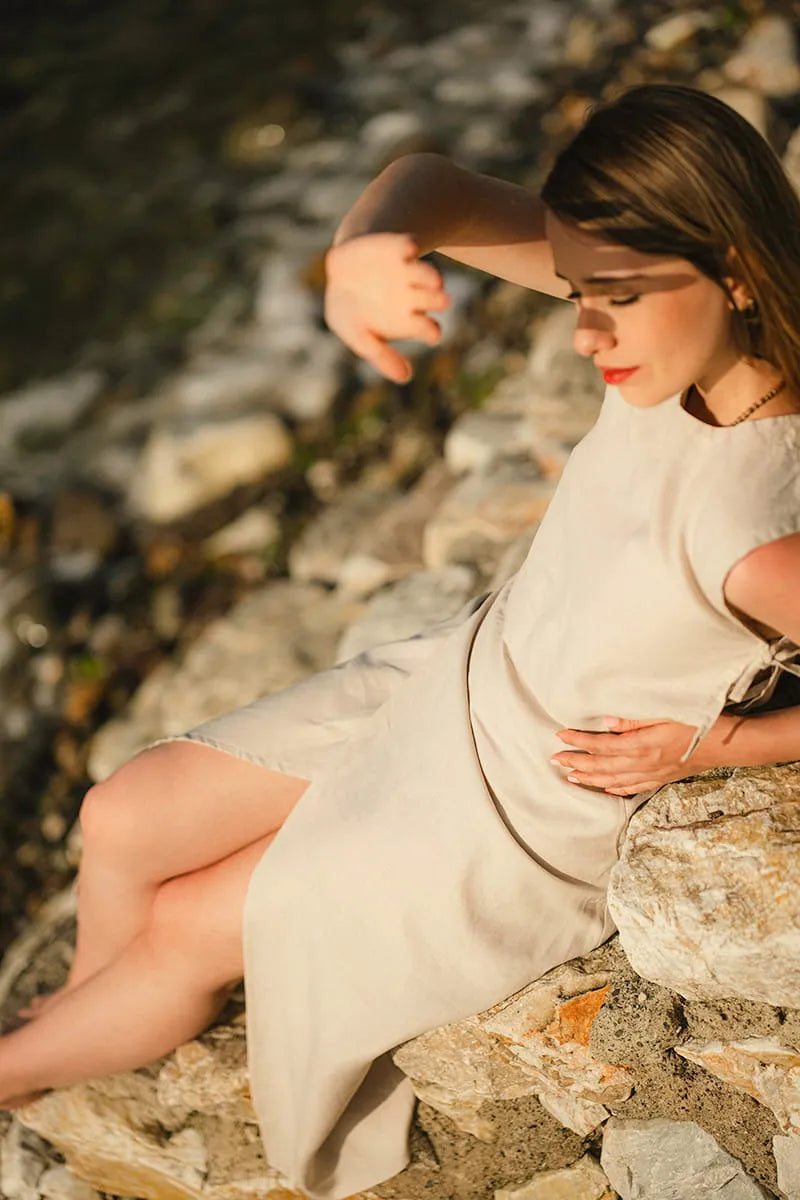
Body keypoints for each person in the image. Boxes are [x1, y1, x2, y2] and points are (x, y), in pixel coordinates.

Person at [3, 83, 800, 1200]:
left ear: (731, 268)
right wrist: (366, 246)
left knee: (187, 922)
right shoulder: (670, 338)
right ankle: (93, 1012)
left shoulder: (752, 529)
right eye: (573, 289)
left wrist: (714, 749)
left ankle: (20, 1066)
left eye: (609, 296)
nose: (581, 331)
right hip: (462, 668)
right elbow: (444, 191)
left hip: (514, 807)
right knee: (118, 813)